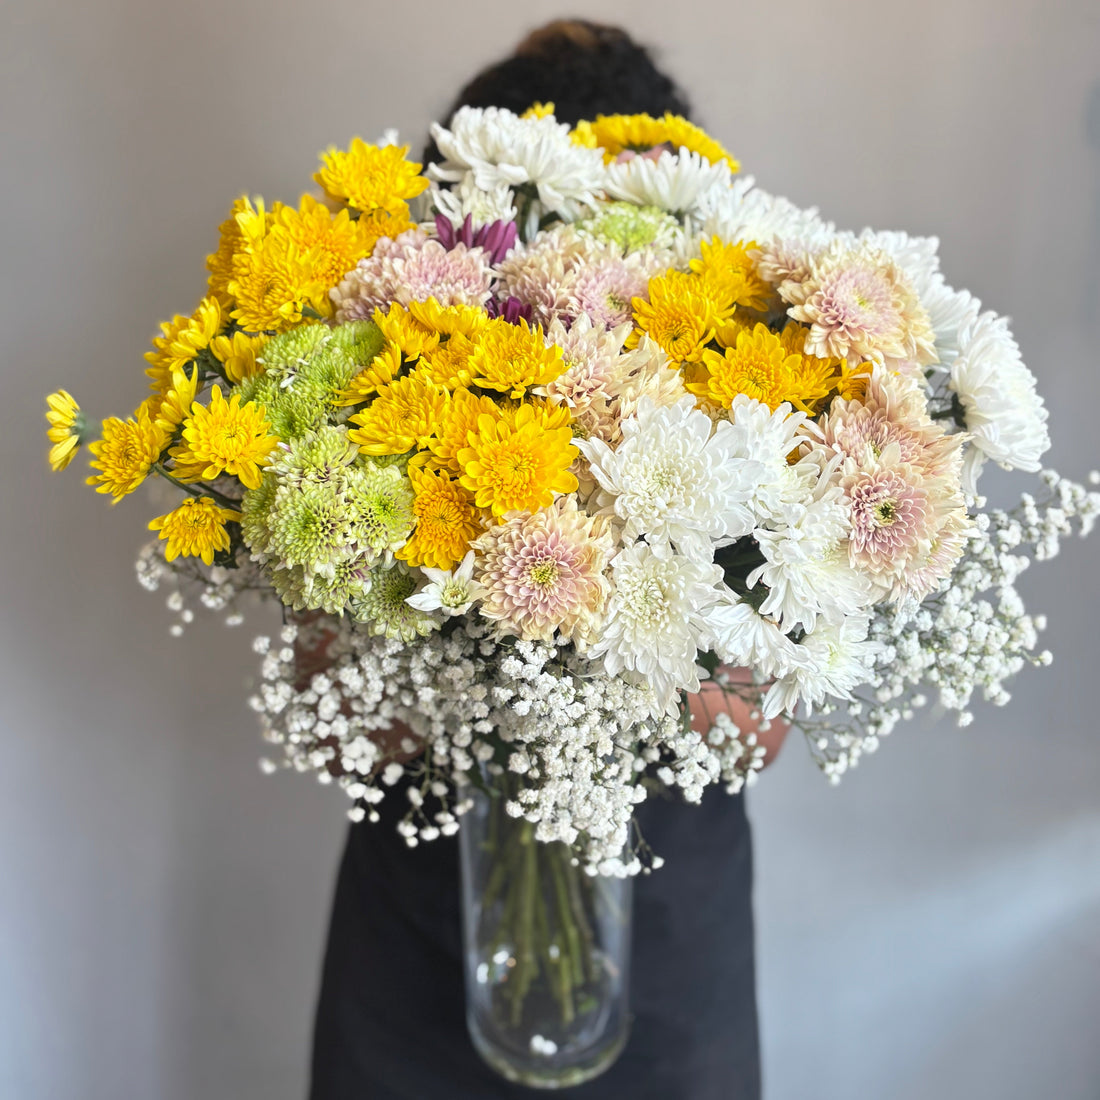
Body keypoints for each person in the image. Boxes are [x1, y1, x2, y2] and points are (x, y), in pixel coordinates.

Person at [309, 21, 787, 1099]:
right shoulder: (373, 404)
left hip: (661, 934)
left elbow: (759, 729)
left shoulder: (754, 418)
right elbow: (333, 710)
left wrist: (618, 613)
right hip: (416, 927)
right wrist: (460, 627)